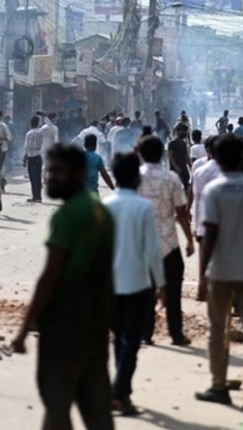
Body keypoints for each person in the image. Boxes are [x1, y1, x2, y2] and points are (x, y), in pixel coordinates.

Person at [12, 144, 115, 430]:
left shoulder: (67, 216)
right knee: (96, 407)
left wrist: (24, 328)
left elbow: (50, 277)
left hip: (65, 325)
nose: (50, 177)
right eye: (49, 170)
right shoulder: (100, 211)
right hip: (96, 322)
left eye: (58, 171)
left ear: (78, 173)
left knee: (57, 403)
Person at [195, 134, 243, 405]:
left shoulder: (213, 190)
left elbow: (210, 234)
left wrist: (202, 275)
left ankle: (219, 386)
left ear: (215, 158)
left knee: (218, 330)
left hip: (221, 271)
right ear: (242, 157)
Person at [103, 153, 164, 416]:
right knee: (132, 339)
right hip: (137, 283)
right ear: (136, 176)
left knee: (119, 337)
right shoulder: (142, 207)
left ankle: (121, 392)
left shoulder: (105, 205)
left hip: (109, 284)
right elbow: (152, 250)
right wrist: (161, 283)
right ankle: (120, 389)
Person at [138, 136, 195, 346]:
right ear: (162, 154)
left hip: (142, 243)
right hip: (168, 242)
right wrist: (189, 240)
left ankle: (146, 333)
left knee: (145, 290)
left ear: (141, 155)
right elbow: (181, 212)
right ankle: (176, 334)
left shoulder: (134, 177)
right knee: (173, 290)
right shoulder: (171, 178)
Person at [24, 116, 44, 203]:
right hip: (39, 156)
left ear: (31, 123)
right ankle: (39, 196)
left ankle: (35, 196)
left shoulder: (29, 133)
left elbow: (26, 147)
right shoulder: (41, 133)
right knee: (38, 177)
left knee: (33, 178)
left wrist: (25, 158)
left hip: (31, 157)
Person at [168, 125, 191, 190]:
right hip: (174, 168)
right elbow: (170, 156)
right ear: (178, 131)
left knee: (186, 181)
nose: (185, 133)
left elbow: (186, 155)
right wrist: (175, 166)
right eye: (183, 131)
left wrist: (190, 165)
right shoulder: (172, 143)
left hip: (183, 166)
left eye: (185, 131)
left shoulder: (183, 143)